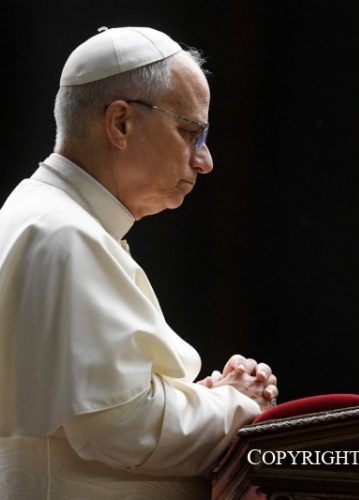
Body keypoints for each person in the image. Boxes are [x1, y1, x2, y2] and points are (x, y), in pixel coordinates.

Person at [0, 26, 278, 499]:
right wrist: (236, 404)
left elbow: (103, 408)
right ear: (121, 123)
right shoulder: (65, 234)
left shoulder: (39, 216)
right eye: (190, 133)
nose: (205, 160)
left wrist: (200, 399)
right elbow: (120, 427)